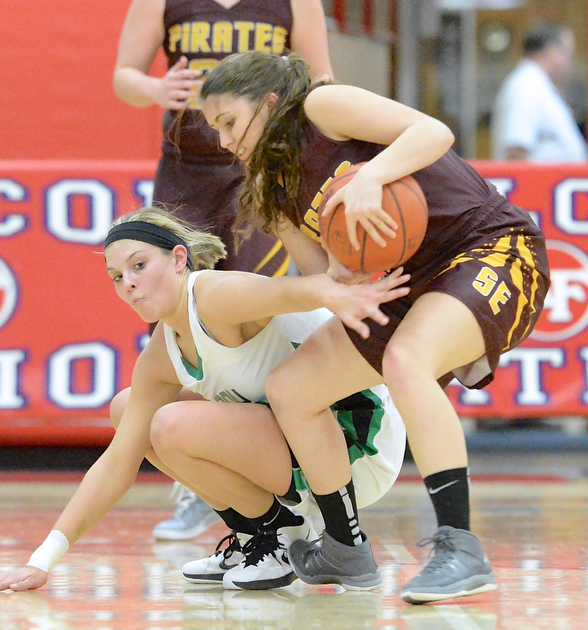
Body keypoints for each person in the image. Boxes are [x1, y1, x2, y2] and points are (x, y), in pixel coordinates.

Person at [199, 51, 550, 603]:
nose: (222, 141)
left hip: (485, 246)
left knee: (404, 361)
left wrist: (375, 178)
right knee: (292, 389)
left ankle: (460, 547)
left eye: (227, 122)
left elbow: (431, 131)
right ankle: (343, 544)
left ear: (268, 104)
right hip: (402, 283)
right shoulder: (275, 185)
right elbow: (326, 274)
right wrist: (340, 283)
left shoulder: (321, 106)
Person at [0, 207, 409, 593]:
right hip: (291, 444)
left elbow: (296, 292)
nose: (128, 283)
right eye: (116, 276)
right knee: (128, 411)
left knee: (170, 425)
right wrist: (43, 560)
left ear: (179, 259)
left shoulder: (217, 295)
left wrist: (356, 290)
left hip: (355, 448)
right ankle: (262, 535)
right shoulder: (162, 350)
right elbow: (117, 463)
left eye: (139, 265)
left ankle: (293, 536)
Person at [113, 0, 334, 540]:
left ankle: (284, 468)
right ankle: (200, 486)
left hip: (260, 165)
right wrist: (154, 90)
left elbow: (322, 77)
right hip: (186, 169)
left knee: (255, 310)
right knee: (175, 319)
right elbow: (124, 76)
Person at [491, 21, 587, 162]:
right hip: (538, 183)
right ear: (550, 51)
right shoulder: (526, 85)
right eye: (567, 53)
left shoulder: (539, 84)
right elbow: (516, 150)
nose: (570, 61)